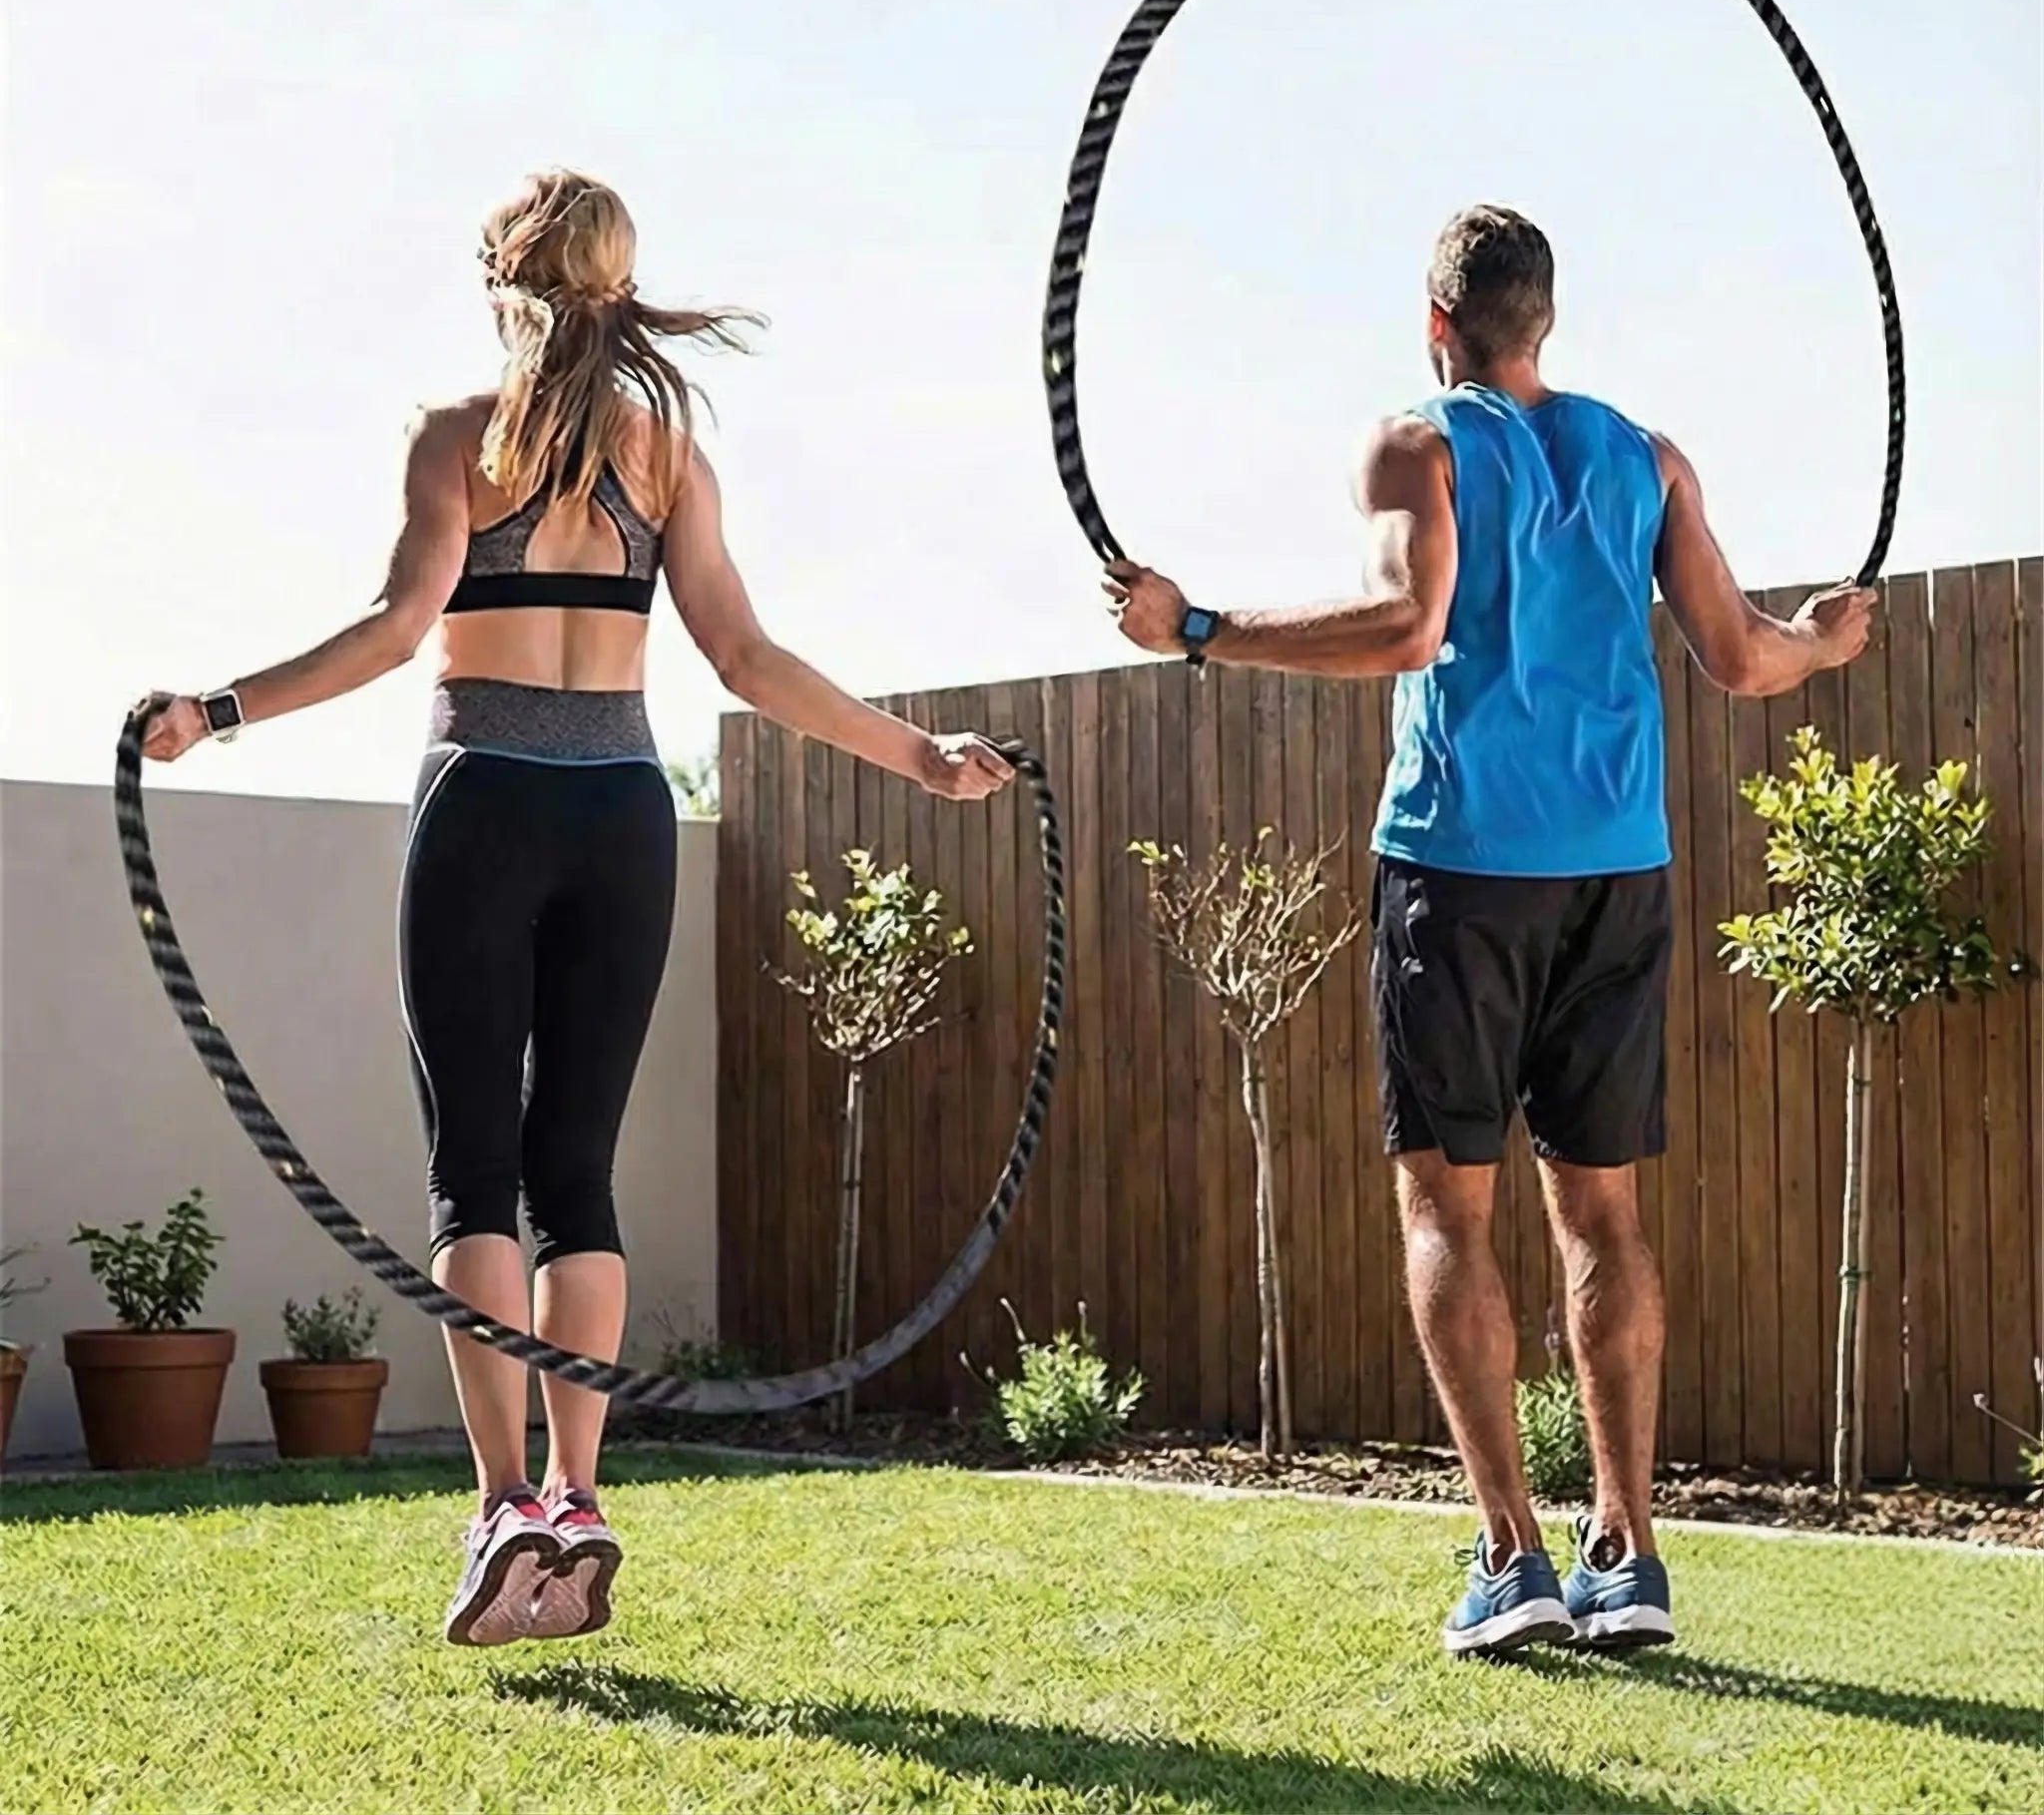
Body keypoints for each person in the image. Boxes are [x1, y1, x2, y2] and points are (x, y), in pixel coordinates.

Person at [142, 168, 1014, 1646]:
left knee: (474, 1175)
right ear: (617, 285)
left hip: (481, 797)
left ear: (501, 282)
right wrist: (918, 755)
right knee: (579, 1176)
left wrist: (215, 710)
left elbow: (397, 629)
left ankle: (503, 1510)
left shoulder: (455, 441)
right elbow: (743, 656)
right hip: (623, 817)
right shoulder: (663, 453)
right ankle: (582, 1496)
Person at [1106, 204, 1874, 1657]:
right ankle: (1629, 1554)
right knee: (1604, 1215)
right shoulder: (1647, 460)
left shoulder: (1420, 439)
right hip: (1617, 876)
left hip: (1461, 872)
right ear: (1550, 321)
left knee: (1445, 1212)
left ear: (1437, 321)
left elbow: (1407, 626)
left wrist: (1197, 627)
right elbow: (1740, 657)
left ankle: (1514, 1552)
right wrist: (1826, 642)